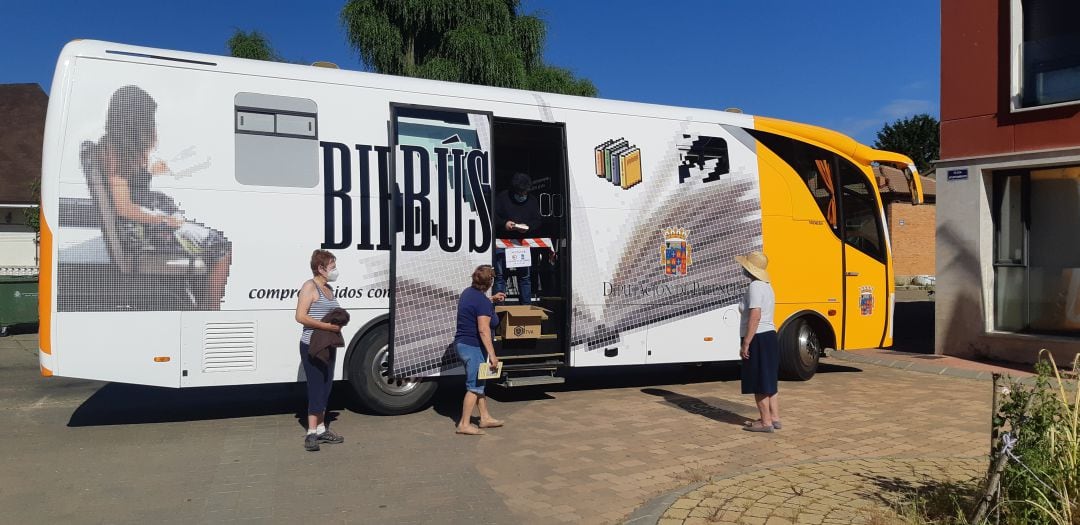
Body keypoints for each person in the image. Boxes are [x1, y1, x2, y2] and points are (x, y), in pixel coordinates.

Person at [100, 85, 232, 310]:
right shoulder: (116, 153)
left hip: (143, 224)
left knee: (200, 223)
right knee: (221, 246)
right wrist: (164, 220)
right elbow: (123, 207)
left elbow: (126, 186)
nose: (151, 125)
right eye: (148, 119)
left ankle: (202, 301)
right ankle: (210, 310)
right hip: (142, 232)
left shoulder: (112, 146)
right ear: (135, 120)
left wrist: (150, 170)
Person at [294, 249, 346, 451]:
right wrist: (327, 327)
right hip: (312, 345)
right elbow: (300, 316)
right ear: (320, 268)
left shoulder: (329, 289)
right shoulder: (310, 287)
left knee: (326, 386)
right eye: (332, 267)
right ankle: (311, 433)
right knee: (316, 387)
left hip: (328, 345)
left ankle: (323, 429)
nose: (335, 270)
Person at [453, 265, 506, 435]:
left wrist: (492, 299)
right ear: (490, 282)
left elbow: (475, 305)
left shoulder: (468, 293)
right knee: (474, 386)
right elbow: (483, 330)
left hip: (463, 344)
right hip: (473, 346)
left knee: (480, 383)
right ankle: (464, 424)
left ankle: (485, 418)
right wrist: (493, 355)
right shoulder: (482, 302)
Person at [736, 251, 781, 433]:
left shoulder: (755, 286)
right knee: (769, 379)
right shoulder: (767, 286)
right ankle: (774, 417)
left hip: (758, 337)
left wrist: (746, 342)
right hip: (770, 335)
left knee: (759, 381)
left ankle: (765, 422)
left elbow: (755, 315)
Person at [493, 172, 543, 305]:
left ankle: (525, 309)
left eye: (525, 193)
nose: (522, 196)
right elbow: (493, 217)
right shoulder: (502, 198)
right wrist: (504, 224)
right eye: (520, 193)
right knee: (500, 277)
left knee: (525, 277)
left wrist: (528, 227)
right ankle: (498, 309)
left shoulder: (532, 200)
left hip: (522, 245)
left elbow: (537, 220)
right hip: (502, 244)